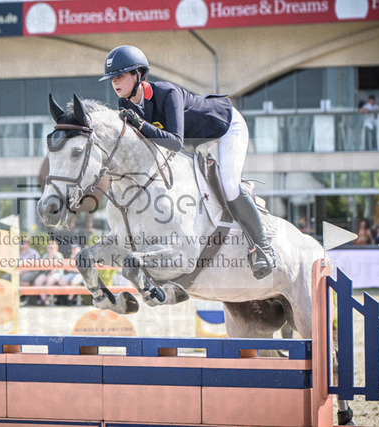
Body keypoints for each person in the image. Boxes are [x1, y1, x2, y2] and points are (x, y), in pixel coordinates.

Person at [99, 45, 275, 279]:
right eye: (112, 78)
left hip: (225, 127)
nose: (115, 82)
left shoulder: (167, 93)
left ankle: (263, 247)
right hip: (198, 142)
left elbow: (174, 142)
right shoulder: (125, 104)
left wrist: (140, 125)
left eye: (120, 76)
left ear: (138, 74)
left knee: (229, 185)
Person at [32, 240, 64, 305]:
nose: (51, 249)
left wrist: (51, 273)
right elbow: (43, 267)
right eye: (50, 247)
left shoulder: (58, 255)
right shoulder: (45, 255)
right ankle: (44, 299)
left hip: (57, 273)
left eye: (53, 247)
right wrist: (48, 273)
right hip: (47, 273)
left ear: (56, 248)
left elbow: (58, 267)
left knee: (49, 280)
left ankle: (50, 299)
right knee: (37, 281)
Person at [19, 237, 41, 306]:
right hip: (19, 272)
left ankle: (26, 298)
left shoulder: (33, 252)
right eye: (21, 242)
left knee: (23, 278)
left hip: (32, 272)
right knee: (6, 277)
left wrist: (23, 271)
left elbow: (35, 265)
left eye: (24, 242)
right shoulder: (18, 253)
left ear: (28, 244)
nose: (22, 244)